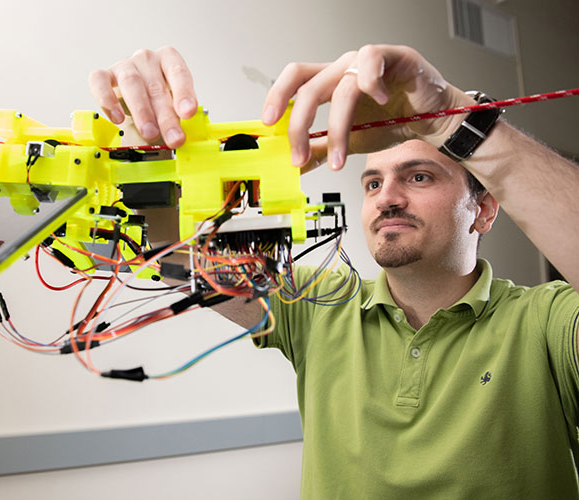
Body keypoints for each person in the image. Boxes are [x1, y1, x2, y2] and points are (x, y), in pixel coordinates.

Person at [89, 45, 579, 498]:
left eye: (419, 176)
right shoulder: (321, 307)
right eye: (372, 183)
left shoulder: (547, 322)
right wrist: (139, 147)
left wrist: (458, 119)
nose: (387, 197)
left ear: (484, 210)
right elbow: (170, 252)